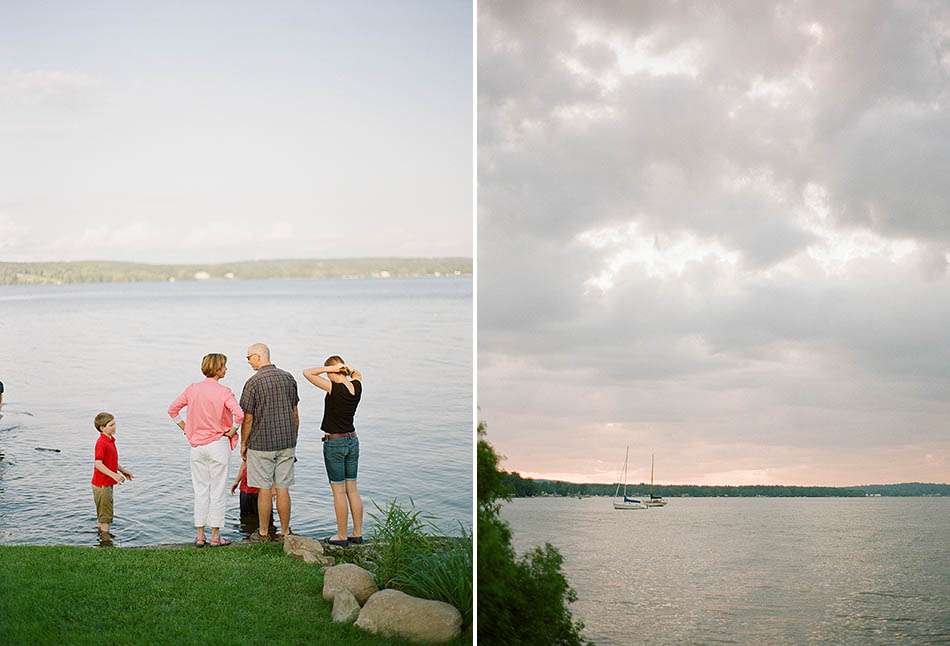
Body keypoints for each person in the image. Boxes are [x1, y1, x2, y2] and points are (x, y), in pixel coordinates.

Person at [168, 353, 243, 547]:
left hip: (197, 448)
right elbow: (239, 414)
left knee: (200, 490)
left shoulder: (192, 389)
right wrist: (232, 430)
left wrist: (186, 427)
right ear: (218, 369)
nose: (226, 369)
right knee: (217, 490)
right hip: (218, 445)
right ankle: (215, 537)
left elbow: (172, 410)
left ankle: (200, 536)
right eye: (224, 366)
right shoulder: (224, 391)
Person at [240, 343, 300, 543]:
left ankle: (264, 533)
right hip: (286, 442)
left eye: (248, 357)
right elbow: (295, 413)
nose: (248, 361)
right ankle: (284, 533)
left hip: (261, 444)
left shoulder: (253, 383)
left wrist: (243, 443)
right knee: (283, 488)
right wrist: (293, 438)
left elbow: (247, 418)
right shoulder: (288, 378)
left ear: (258, 357)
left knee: (264, 489)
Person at [303, 356, 364, 546]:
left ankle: (341, 535)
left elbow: (307, 373)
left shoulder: (333, 388)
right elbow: (358, 374)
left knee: (338, 492)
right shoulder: (357, 387)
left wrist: (329, 368)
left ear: (333, 371)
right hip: (352, 440)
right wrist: (346, 368)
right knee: (352, 489)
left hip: (335, 443)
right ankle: (357, 533)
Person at [91, 412, 133, 542]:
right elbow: (98, 464)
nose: (114, 427)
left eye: (114, 424)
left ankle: (101, 535)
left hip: (106, 483)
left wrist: (122, 470)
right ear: (102, 428)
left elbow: (110, 461)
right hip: (102, 484)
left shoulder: (110, 440)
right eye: (111, 425)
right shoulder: (101, 442)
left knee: (103, 514)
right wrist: (114, 475)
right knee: (105, 516)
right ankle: (106, 542)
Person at [230, 460, 276, 532]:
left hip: (258, 489)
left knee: (250, 518)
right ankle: (256, 534)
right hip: (251, 488)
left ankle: (253, 534)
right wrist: (236, 481)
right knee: (252, 518)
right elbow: (245, 461)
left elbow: (245, 461)